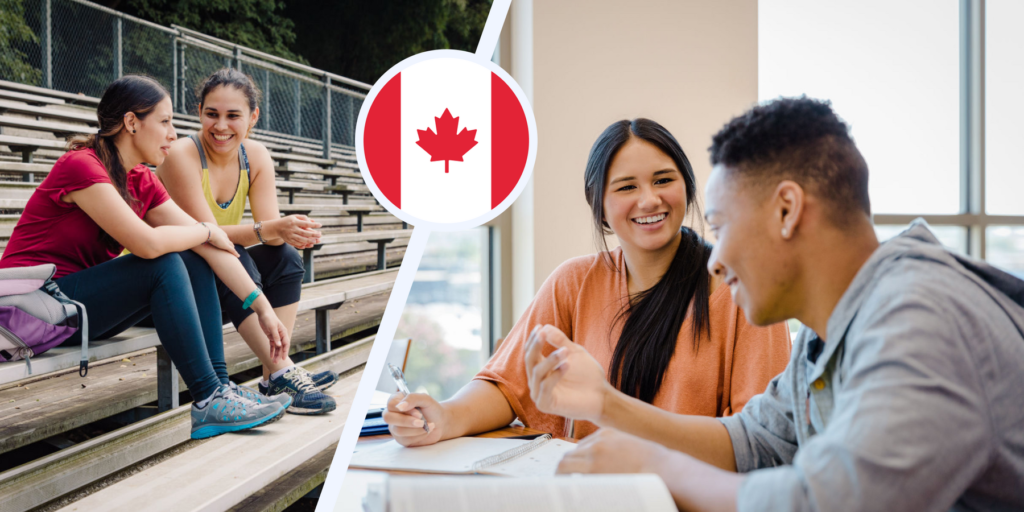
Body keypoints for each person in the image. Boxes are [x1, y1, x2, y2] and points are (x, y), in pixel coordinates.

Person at [524, 97, 1024, 511]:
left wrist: (658, 466)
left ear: (787, 210)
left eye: (720, 228)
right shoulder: (829, 331)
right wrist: (605, 405)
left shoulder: (919, 319)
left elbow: (831, 503)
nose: (714, 260)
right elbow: (755, 442)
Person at [384, 118, 791, 446]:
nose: (649, 199)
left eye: (664, 180)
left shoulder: (744, 290)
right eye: (627, 187)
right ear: (599, 206)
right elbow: (507, 386)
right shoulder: (573, 282)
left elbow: (758, 442)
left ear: (688, 186)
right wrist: (443, 416)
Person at [0, 75, 295, 439]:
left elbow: (210, 248)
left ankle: (217, 389)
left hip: (77, 309)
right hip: (30, 308)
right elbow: (148, 245)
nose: (173, 133)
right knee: (167, 259)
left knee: (192, 256)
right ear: (131, 122)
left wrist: (263, 308)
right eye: (165, 121)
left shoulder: (141, 179)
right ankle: (208, 396)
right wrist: (205, 229)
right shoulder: (81, 166)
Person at [156, 68, 335, 415]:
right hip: (174, 281)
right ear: (199, 113)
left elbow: (271, 236)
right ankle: (285, 369)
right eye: (212, 114)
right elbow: (206, 233)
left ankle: (274, 375)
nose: (221, 126)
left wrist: (290, 231)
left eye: (233, 116)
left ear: (253, 117)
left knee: (284, 257)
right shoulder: (181, 155)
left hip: (218, 272)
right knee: (230, 253)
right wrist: (271, 228)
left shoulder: (255, 156)